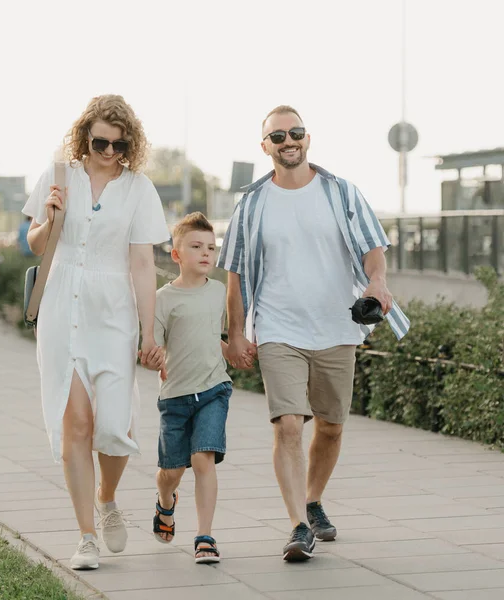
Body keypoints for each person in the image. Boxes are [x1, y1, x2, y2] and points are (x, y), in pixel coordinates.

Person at [218, 105, 410, 562]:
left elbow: (372, 248)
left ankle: (313, 499)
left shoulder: (340, 192)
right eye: (278, 135)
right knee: (287, 425)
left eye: (296, 132)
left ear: (307, 138)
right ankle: (298, 526)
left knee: (331, 426)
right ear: (265, 146)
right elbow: (236, 277)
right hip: (279, 327)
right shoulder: (251, 204)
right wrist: (236, 334)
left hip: (336, 327)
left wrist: (377, 281)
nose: (289, 141)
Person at [22, 95, 169, 570]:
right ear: (85, 135)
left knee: (115, 424)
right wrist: (50, 215)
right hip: (64, 305)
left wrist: (150, 332)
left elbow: (144, 262)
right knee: (77, 425)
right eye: (101, 141)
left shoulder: (139, 188)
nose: (109, 151)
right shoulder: (58, 175)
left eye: (119, 143)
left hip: (114, 312)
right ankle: (86, 536)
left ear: (130, 142)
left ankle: (107, 497)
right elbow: (36, 243)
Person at [145, 212, 245, 564]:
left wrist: (231, 349)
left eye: (211, 248)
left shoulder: (218, 291)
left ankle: (205, 536)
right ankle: (166, 503)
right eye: (196, 247)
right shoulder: (162, 298)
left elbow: (209, 336)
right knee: (171, 472)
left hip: (214, 390)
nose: (206, 254)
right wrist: (154, 359)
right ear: (176, 255)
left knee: (203, 458)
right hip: (175, 396)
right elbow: (154, 347)